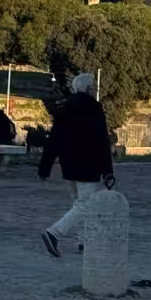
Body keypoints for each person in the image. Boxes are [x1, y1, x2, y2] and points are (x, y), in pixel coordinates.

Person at [39, 73, 114, 257]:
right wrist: (107, 171)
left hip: (69, 164)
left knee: (78, 203)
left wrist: (45, 166)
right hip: (88, 165)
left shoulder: (65, 107)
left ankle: (84, 241)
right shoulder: (94, 108)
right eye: (95, 87)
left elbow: (54, 137)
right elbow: (101, 140)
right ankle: (54, 233)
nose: (96, 90)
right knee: (86, 205)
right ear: (88, 89)